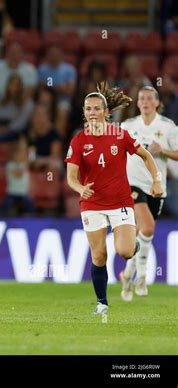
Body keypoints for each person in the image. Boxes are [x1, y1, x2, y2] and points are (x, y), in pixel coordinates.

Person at [64, 82, 162, 315]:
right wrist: (80, 189)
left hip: (120, 202)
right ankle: (102, 303)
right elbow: (71, 177)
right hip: (92, 204)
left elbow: (146, 156)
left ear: (106, 112)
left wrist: (156, 180)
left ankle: (135, 244)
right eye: (88, 109)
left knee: (126, 251)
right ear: (84, 112)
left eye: (97, 108)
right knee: (99, 255)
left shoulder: (120, 135)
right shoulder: (78, 141)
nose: (92, 113)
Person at [119, 86, 178, 301]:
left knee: (143, 234)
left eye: (148, 98)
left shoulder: (167, 127)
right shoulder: (127, 126)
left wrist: (162, 150)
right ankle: (142, 277)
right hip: (131, 184)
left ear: (156, 102)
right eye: (141, 98)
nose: (144, 101)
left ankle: (127, 274)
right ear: (137, 103)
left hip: (156, 185)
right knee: (148, 227)